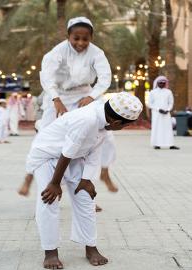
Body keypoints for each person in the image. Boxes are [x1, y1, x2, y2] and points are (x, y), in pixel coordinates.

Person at [23, 93, 142, 269]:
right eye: (126, 126)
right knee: (49, 199)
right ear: (117, 123)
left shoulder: (104, 119)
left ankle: (90, 248)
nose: (124, 128)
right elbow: (67, 152)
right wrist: (55, 183)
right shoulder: (88, 119)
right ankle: (50, 252)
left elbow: (94, 151)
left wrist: (87, 179)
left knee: (86, 198)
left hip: (74, 157)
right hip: (47, 155)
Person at [20, 16, 118, 203]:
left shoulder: (97, 53)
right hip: (58, 96)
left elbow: (105, 78)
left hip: (86, 95)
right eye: (76, 38)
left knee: (105, 136)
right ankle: (29, 176)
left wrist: (91, 97)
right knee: (44, 137)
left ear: (91, 38)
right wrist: (56, 99)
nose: (80, 43)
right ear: (68, 36)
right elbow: (47, 77)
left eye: (85, 39)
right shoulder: (57, 52)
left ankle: (102, 174)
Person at [148, 76, 179, 150]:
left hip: (166, 113)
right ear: (157, 83)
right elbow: (150, 104)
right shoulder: (153, 92)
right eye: (160, 82)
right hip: (156, 113)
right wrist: (158, 109)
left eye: (163, 82)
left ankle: (170, 144)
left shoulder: (168, 92)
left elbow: (171, 103)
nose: (162, 84)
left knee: (168, 128)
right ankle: (156, 144)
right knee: (157, 128)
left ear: (165, 83)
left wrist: (168, 109)